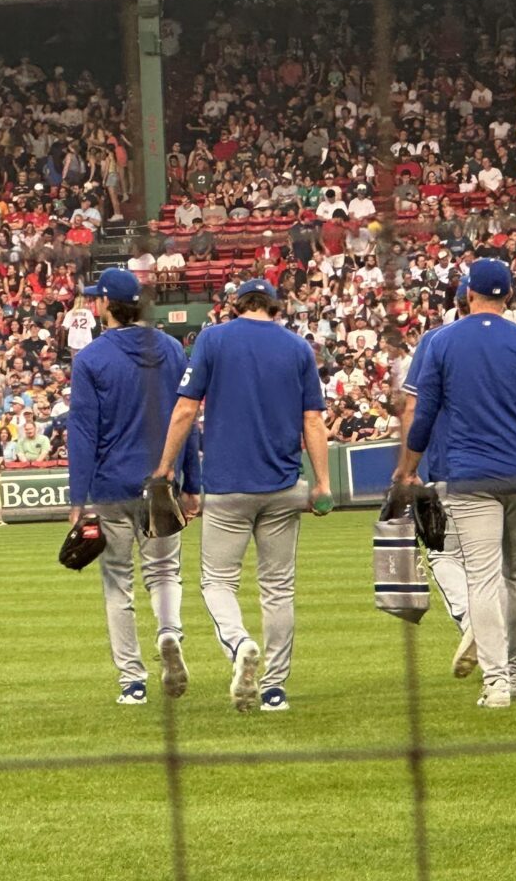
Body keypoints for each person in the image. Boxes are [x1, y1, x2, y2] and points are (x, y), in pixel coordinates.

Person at [395, 259, 516, 709]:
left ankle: (496, 683)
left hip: (471, 475)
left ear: (469, 293)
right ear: (509, 296)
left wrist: (408, 467)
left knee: (482, 578)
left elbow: (422, 415)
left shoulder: (441, 341)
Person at [154, 278, 331, 713]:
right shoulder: (296, 347)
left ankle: (239, 644)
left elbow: (185, 409)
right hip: (284, 484)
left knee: (217, 582)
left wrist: (165, 468)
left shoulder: (214, 337)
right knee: (278, 589)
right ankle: (274, 689)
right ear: (274, 305)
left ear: (236, 304)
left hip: (228, 486)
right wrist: (323, 483)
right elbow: (313, 420)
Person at [67, 268, 203, 705]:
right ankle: (169, 632)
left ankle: (133, 681)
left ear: (106, 304)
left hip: (111, 486)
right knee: (164, 573)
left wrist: (77, 497)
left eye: (96, 299)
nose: (93, 304)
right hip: (161, 480)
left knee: (117, 583)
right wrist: (191, 483)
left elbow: (83, 432)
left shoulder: (90, 358)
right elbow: (188, 419)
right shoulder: (170, 347)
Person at [396, 282, 478, 680]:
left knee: (445, 555)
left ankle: (469, 622)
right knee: (503, 569)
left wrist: (407, 467)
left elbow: (413, 407)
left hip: (452, 468)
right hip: (512, 471)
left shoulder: (435, 341)